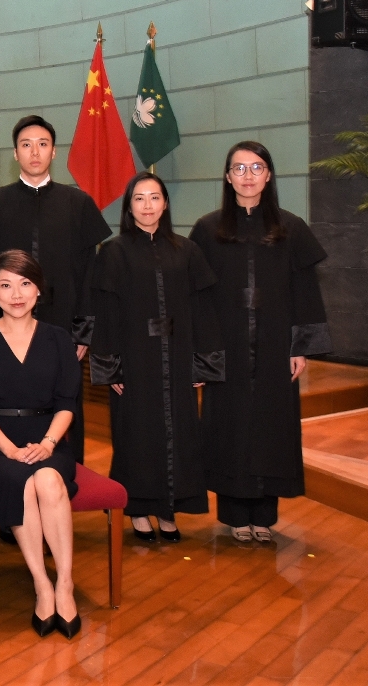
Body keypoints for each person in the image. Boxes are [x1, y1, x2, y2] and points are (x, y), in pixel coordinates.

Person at [189, 142, 331, 543]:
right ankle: (235, 515)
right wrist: (202, 351)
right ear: (227, 177)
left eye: (256, 168)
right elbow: (196, 297)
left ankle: (264, 516)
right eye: (239, 168)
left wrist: (300, 346)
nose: (247, 176)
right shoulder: (207, 230)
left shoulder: (291, 228)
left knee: (271, 427)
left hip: (275, 345)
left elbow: (305, 291)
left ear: (268, 175)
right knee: (229, 426)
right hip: (226, 346)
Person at [89, 173, 225, 541]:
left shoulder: (187, 250)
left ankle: (169, 509)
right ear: (128, 206)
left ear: (165, 204)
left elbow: (203, 309)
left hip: (178, 358)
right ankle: (137, 508)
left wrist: (203, 362)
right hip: (134, 360)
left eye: (154, 197)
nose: (147, 205)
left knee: (180, 434)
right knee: (135, 434)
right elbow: (106, 312)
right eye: (139, 198)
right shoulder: (113, 252)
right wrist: (111, 366)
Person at [0, 115, 111, 464]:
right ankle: (9, 473)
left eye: (43, 144)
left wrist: (82, 330)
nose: (35, 152)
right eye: (26, 145)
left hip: (63, 322)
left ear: (54, 152)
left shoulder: (78, 203)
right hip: (7, 324)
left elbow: (89, 273)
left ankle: (66, 474)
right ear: (15, 153)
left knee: (65, 399)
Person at [0, 250, 82, 639]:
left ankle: (64, 583)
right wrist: (10, 450)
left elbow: (67, 403)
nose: (16, 294)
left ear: (38, 289)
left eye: (25, 283)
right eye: (6, 285)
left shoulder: (58, 338)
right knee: (24, 481)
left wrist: (48, 443)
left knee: (48, 479)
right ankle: (41, 584)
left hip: (50, 438)